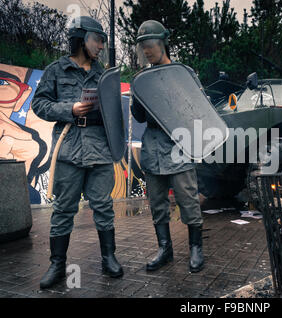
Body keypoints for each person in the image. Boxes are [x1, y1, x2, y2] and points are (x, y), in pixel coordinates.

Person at [32, 16, 123, 289]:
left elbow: (116, 114)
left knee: (104, 207)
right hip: (69, 147)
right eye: (97, 40)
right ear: (82, 39)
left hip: (99, 150)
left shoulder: (104, 75)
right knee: (63, 209)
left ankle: (109, 258)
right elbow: (39, 104)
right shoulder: (56, 70)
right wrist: (69, 109)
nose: (100, 46)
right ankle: (57, 265)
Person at [131, 20, 204, 273]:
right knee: (157, 203)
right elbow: (139, 117)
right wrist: (137, 93)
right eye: (143, 47)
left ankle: (196, 248)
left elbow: (198, 110)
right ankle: (165, 249)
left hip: (180, 146)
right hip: (153, 149)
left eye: (150, 45)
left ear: (163, 44)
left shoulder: (184, 73)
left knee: (188, 200)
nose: (147, 51)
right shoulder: (142, 78)